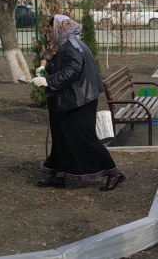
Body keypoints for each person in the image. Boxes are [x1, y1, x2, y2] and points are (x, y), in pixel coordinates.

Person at [31, 15, 125, 191]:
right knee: (61, 137)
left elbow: (72, 70)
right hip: (74, 98)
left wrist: (48, 81)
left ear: (60, 29)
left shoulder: (71, 47)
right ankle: (58, 174)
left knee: (84, 138)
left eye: (51, 30)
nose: (49, 34)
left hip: (79, 101)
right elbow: (62, 65)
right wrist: (45, 69)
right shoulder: (68, 44)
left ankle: (114, 172)